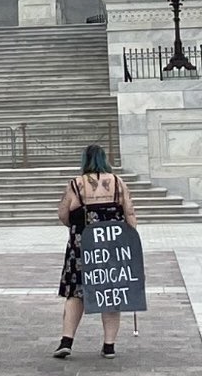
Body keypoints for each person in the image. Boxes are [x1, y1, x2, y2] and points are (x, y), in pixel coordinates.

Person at [54, 143, 137, 360]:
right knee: (110, 292)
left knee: (75, 293)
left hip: (82, 247)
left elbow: (63, 214)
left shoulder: (76, 184)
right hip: (113, 247)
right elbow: (130, 214)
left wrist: (78, 227)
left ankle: (66, 340)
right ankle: (109, 345)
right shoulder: (118, 183)